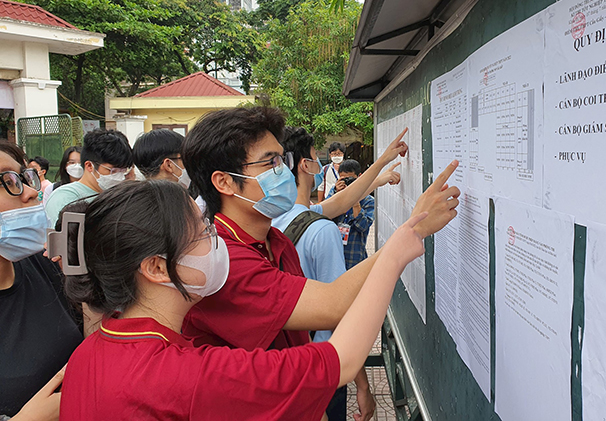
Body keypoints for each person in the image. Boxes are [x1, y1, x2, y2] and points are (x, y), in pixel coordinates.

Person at [56, 180, 431, 420]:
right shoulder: (186, 375)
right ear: (156, 267)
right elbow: (342, 361)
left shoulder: (90, 353)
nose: (216, 240)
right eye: (202, 232)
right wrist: (395, 254)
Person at [180, 107, 459, 357]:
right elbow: (333, 305)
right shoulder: (222, 259)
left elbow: (338, 202)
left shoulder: (274, 241)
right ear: (225, 182)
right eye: (270, 163)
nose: (284, 172)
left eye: (282, 159)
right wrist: (416, 227)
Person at [273, 128, 380, 421]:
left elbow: (337, 204)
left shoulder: (267, 218)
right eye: (315, 157)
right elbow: (338, 313)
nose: (321, 163)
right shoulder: (321, 230)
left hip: (281, 363)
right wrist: (362, 384)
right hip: (320, 363)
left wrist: (380, 167)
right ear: (306, 165)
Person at [0, 141, 83, 420]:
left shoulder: (39, 263)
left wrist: (85, 285)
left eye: (25, 177)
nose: (32, 192)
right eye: (8, 182)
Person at [44, 129, 133, 227]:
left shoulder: (119, 195)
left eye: (123, 170)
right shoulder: (65, 197)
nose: (119, 176)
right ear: (89, 166)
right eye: (113, 171)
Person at [327, 159, 374, 270]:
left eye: (350, 179)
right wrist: (337, 195)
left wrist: (355, 201)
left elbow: (363, 226)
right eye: (344, 179)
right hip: (333, 255)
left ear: (359, 176)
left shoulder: (367, 200)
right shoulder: (334, 193)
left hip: (355, 257)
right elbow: (324, 217)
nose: (348, 183)